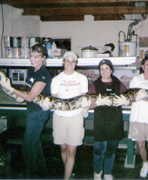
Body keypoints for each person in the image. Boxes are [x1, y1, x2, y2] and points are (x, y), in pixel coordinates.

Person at [0, 44, 52, 178]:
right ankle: (42, 174)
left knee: (27, 147)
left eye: (36, 57)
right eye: (31, 56)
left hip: (39, 113)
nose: (32, 59)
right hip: (31, 110)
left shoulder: (43, 74)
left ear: (43, 58)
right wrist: (17, 95)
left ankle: (31, 176)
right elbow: (27, 92)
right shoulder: (31, 70)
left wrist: (9, 88)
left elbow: (30, 96)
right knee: (35, 143)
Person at [50, 51, 89, 179]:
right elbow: (54, 100)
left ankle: (66, 178)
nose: (70, 64)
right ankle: (69, 171)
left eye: (73, 61)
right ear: (63, 62)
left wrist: (86, 107)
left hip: (75, 117)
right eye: (68, 61)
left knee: (71, 151)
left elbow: (84, 99)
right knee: (63, 148)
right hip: (59, 117)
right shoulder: (56, 80)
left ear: (76, 63)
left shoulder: (82, 79)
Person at [88, 59, 127, 180]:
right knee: (99, 149)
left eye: (106, 68)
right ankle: (97, 172)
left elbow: (129, 98)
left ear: (111, 70)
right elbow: (88, 105)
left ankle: (108, 172)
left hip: (115, 121)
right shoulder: (95, 85)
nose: (104, 71)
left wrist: (126, 101)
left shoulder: (118, 83)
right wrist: (97, 103)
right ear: (99, 71)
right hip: (101, 121)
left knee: (111, 148)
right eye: (101, 69)